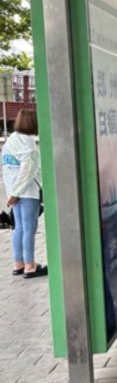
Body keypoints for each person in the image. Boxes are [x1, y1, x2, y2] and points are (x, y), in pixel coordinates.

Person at [2, 109, 46, 278]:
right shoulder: (29, 145)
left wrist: (11, 194)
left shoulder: (10, 141)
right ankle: (30, 265)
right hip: (26, 192)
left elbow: (7, 170)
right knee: (29, 228)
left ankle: (18, 263)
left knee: (18, 228)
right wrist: (17, 192)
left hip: (14, 193)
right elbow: (29, 171)